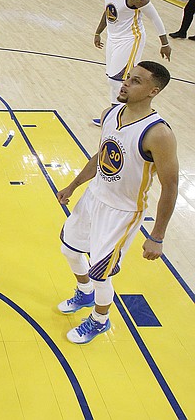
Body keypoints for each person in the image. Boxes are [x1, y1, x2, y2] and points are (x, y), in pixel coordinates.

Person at [55, 61, 178, 344]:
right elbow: (102, 157)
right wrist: (74, 185)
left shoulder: (159, 134)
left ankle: (100, 319)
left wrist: (157, 236)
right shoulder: (110, 114)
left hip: (123, 212)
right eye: (127, 78)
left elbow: (170, 185)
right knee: (70, 250)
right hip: (94, 197)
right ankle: (84, 293)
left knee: (101, 272)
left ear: (153, 91)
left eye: (135, 81)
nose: (125, 84)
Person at [93, 0, 171, 125]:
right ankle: (115, 115)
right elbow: (108, 12)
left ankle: (117, 118)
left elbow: (155, 18)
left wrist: (164, 43)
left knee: (117, 80)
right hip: (113, 38)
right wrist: (98, 32)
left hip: (131, 39)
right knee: (111, 78)